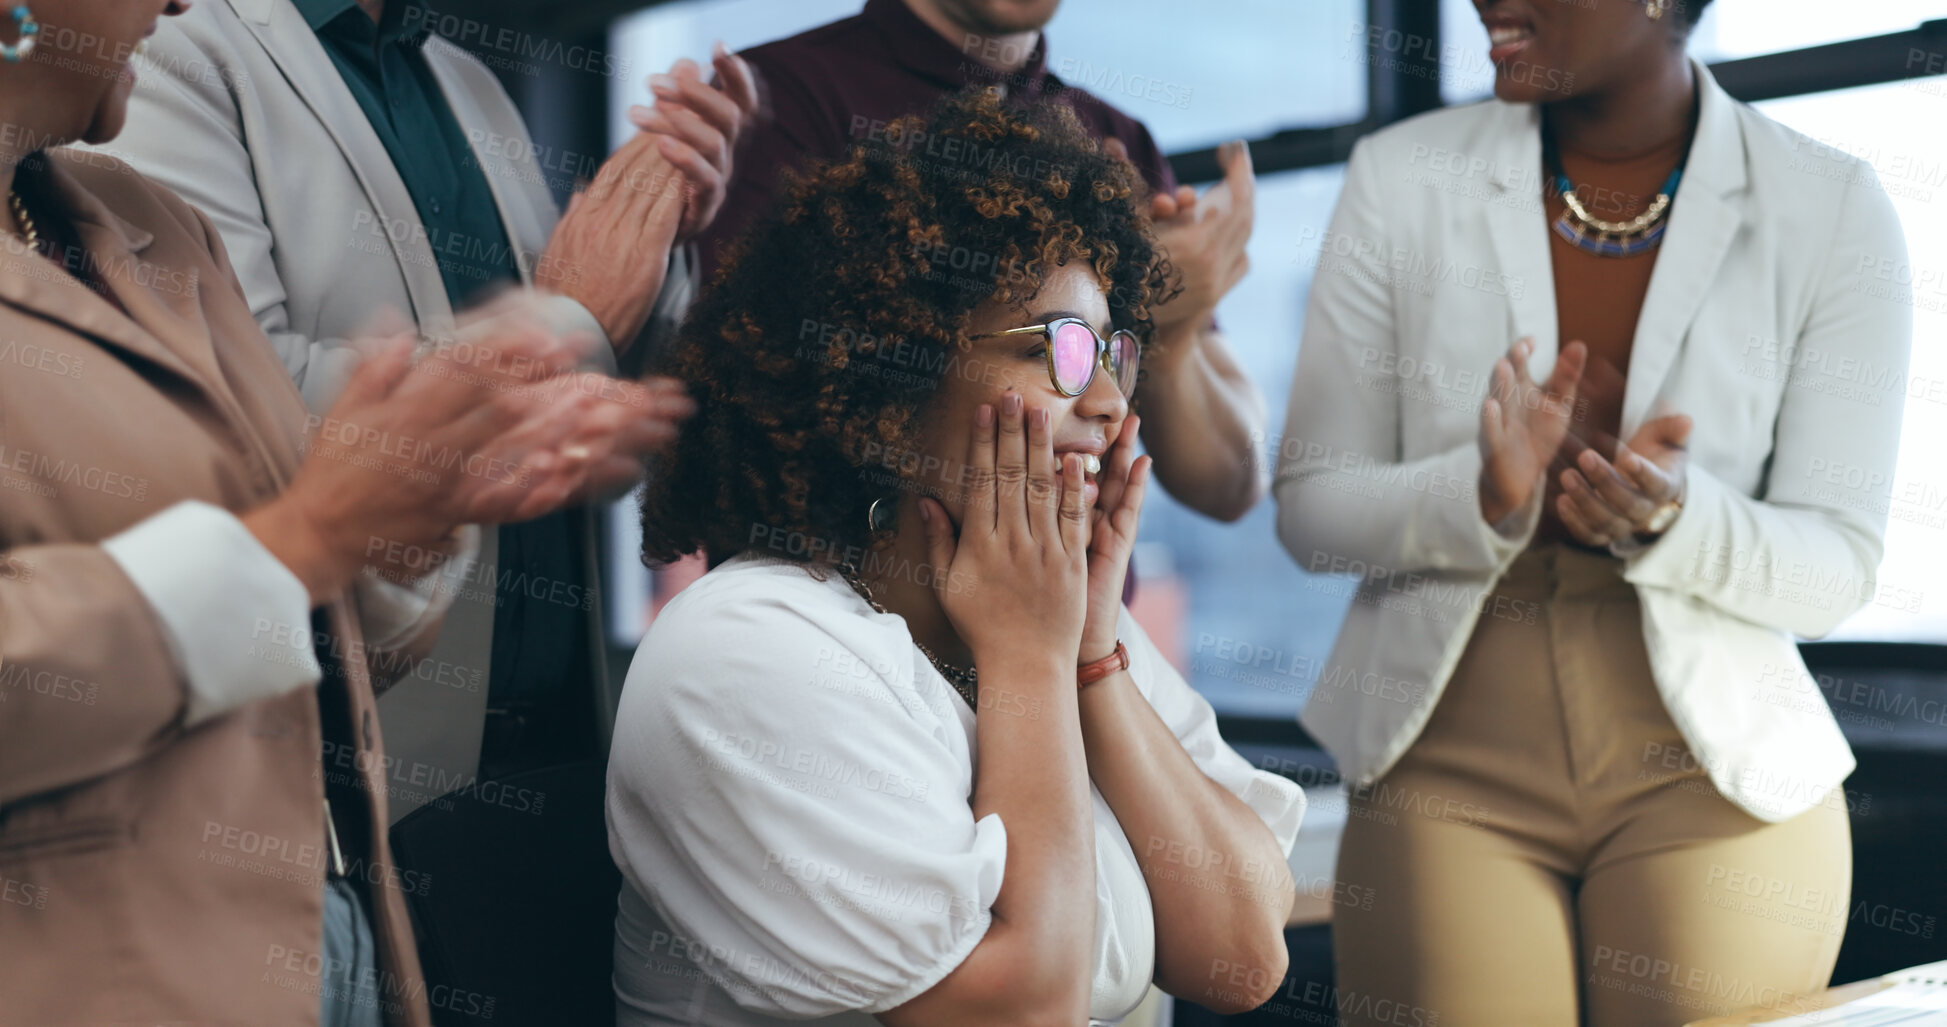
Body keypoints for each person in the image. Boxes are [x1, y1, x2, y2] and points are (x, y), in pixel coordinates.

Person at [0, 1, 693, 1023]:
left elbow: (322, 567)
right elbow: (291, 529)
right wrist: (310, 534)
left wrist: (399, 513)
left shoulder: (141, 222)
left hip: (339, 925)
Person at [1274, 0, 1911, 1022]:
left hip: (1717, 782)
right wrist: (1482, 493)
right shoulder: (1400, 177)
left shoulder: (1831, 205)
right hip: (1446, 775)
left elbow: (1838, 563)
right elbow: (1311, 504)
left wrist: (1670, 518)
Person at [608, 91, 1304, 1027]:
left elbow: (1243, 955)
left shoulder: (1061, 616)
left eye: (1112, 351)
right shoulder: (745, 651)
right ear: (888, 377)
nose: (1106, 403)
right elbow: (1021, 1011)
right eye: (1059, 348)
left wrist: (1090, 662)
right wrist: (1029, 659)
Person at [87, 0, 757, 804]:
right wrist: (572, 318)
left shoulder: (465, 79)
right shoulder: (164, 50)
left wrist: (652, 236)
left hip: (567, 745)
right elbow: (240, 415)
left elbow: (580, 425)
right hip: (359, 765)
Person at [679, 0, 1268, 522]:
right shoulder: (782, 98)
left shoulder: (1118, 138)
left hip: (1089, 618)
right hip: (854, 616)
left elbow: (1229, 484)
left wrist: (1177, 324)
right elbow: (751, 417)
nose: (1106, 403)